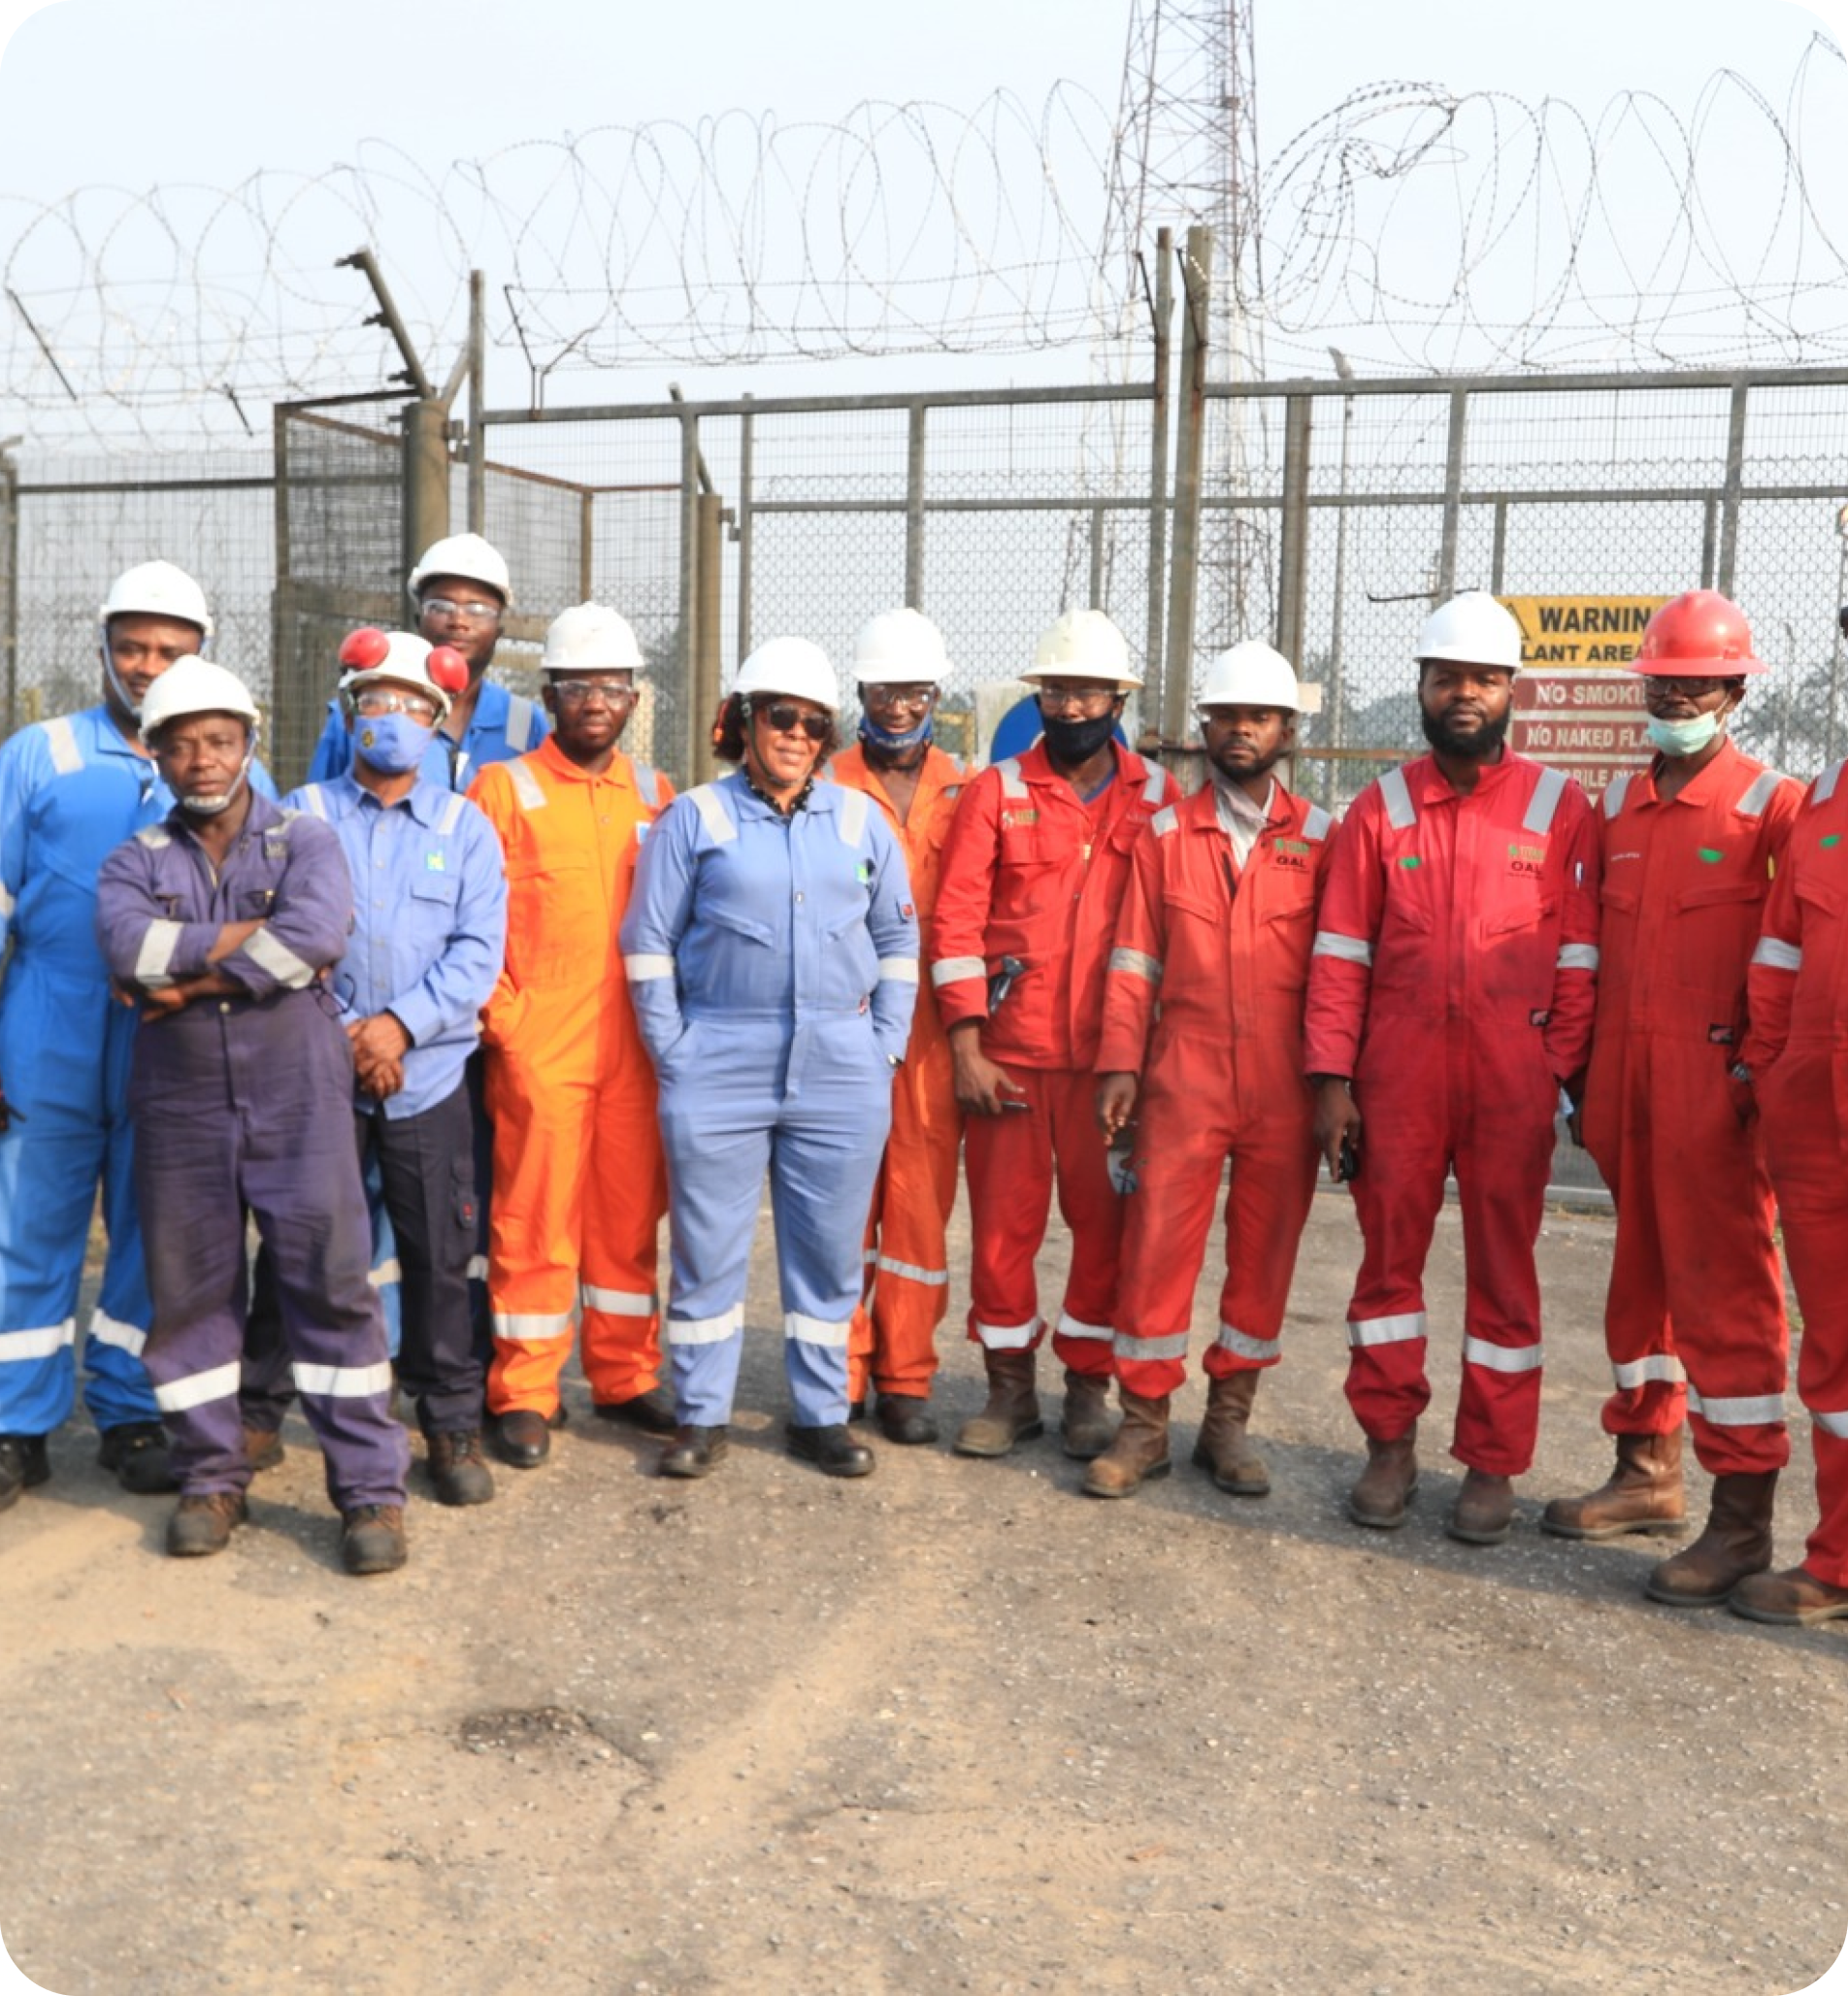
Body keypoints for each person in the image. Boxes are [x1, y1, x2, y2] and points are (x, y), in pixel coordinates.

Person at [94, 658, 411, 1574]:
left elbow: (320, 935)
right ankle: (210, 1475)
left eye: (220, 740)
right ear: (154, 752)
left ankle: (369, 1493)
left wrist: (183, 974)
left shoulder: (305, 841)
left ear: (249, 743)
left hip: (297, 1092)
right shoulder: (132, 860)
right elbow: (124, 945)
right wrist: (246, 948)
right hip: (182, 1101)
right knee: (190, 1295)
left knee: (329, 1285)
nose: (202, 760)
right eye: (181, 743)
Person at [1304, 591, 1600, 1546]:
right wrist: (1332, 1080)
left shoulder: (1559, 808)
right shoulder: (1377, 810)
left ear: (1510, 689)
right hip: (1395, 1080)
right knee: (1386, 1267)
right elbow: (1339, 952)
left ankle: (1489, 1461)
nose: (1461, 692)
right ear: (1421, 688)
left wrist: (1550, 1068)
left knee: (1504, 1278)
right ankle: (1387, 1444)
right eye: (1444, 677)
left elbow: (1578, 958)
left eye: (1480, 677)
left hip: (1509, 1081)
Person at [1540, 591, 1799, 1606]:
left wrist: (1755, 1077)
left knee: (1727, 1298)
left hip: (1714, 1092)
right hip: (1623, 1085)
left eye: (1695, 683)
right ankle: (1646, 1469)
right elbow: (1580, 945)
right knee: (1636, 1284)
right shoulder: (1614, 810)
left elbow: (1786, 954)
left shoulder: (1769, 808)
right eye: (1661, 682)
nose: (1676, 695)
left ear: (1733, 692)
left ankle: (1739, 1523)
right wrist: (1578, 1067)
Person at [1, 561, 274, 1514]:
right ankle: (16, 1425)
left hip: (177, 1034)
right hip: (52, 1019)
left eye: (170, 648)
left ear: (201, 651)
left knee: (152, 1235)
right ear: (104, 647)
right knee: (30, 1223)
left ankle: (127, 1412)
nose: (148, 666)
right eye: (131, 647)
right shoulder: (37, 756)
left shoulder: (232, 766)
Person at [621, 638, 918, 1480]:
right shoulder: (698, 819)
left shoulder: (862, 821)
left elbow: (899, 939)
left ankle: (821, 1415)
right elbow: (647, 945)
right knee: (708, 1249)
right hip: (719, 1055)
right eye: (779, 716)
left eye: (813, 723)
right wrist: (676, 1050)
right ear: (744, 722)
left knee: (826, 1254)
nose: (795, 734)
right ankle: (702, 1414)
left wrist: (884, 1045)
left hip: (841, 1066)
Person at [1087, 644, 1336, 1498]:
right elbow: (1132, 960)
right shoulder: (1163, 836)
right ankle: (1143, 1424)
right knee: (1157, 1245)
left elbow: (1341, 973)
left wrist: (1337, 1082)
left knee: (1264, 1253)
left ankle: (1227, 1424)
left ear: (1286, 731)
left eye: (1258, 717)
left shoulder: (1321, 840)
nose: (1240, 730)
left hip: (1283, 1081)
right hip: (1184, 1074)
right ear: (1205, 727)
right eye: (1227, 716)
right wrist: (1120, 1061)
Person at [931, 609, 1178, 1461]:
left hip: (1111, 1065)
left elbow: (1171, 932)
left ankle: (1084, 1390)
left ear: (1119, 699)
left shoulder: (1159, 797)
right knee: (1003, 1231)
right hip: (1009, 1059)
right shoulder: (994, 792)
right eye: (1058, 691)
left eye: (1089, 692)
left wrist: (1144, 1060)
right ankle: (1008, 1393)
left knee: (1105, 1233)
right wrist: (965, 1042)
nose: (1072, 707)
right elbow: (956, 920)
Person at [280, 632, 509, 1506]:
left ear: (441, 724)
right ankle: (264, 1409)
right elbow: (287, 931)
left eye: (414, 706)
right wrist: (348, 1032)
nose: (394, 719)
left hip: (430, 1075)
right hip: (319, 1067)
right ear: (348, 713)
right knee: (300, 1244)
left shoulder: (467, 827)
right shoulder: (303, 813)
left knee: (438, 1256)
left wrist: (398, 1030)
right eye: (376, 700)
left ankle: (449, 1424)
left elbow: (476, 953)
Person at [468, 605, 676, 1468]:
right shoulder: (502, 789)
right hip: (541, 1047)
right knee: (534, 1219)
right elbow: (473, 924)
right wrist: (508, 1026)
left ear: (634, 698)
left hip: (636, 1048)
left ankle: (625, 1374)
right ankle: (525, 1389)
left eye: (613, 686)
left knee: (628, 1219)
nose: (597, 700)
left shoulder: (660, 797)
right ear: (548, 693)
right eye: (579, 686)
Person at [827, 609, 966, 1446]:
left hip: (930, 1036)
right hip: (844, 1022)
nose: (901, 706)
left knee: (917, 1212)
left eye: (915, 691)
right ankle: (836, 1372)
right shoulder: (828, 779)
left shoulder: (967, 787)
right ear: (862, 692)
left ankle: (905, 1376)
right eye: (886, 690)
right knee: (841, 1205)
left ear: (935, 695)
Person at [1729, 739, 1848, 1624]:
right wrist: (1765, 1069)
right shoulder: (1825, 802)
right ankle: (1839, 1561)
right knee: (1837, 1345)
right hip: (1813, 1109)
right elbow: (1779, 951)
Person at [306, 533, 547, 789]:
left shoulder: (523, 723)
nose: (459, 622)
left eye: (478, 610)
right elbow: (319, 814)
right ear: (418, 620)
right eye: (441, 606)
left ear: (499, 630)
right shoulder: (364, 709)